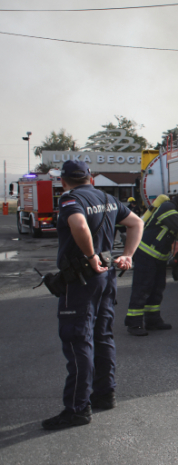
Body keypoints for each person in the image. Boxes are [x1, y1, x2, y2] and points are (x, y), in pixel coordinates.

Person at [42, 160, 143, 430]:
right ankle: (104, 393)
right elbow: (136, 223)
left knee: (78, 339)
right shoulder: (108, 199)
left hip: (82, 280)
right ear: (91, 178)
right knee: (102, 335)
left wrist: (88, 256)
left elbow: (79, 225)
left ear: (63, 181)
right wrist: (128, 256)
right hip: (106, 277)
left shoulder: (70, 200)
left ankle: (77, 409)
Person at [124, 185, 178, 336]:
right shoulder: (167, 208)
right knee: (142, 288)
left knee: (157, 289)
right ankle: (134, 323)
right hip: (146, 254)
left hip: (159, 257)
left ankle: (153, 320)